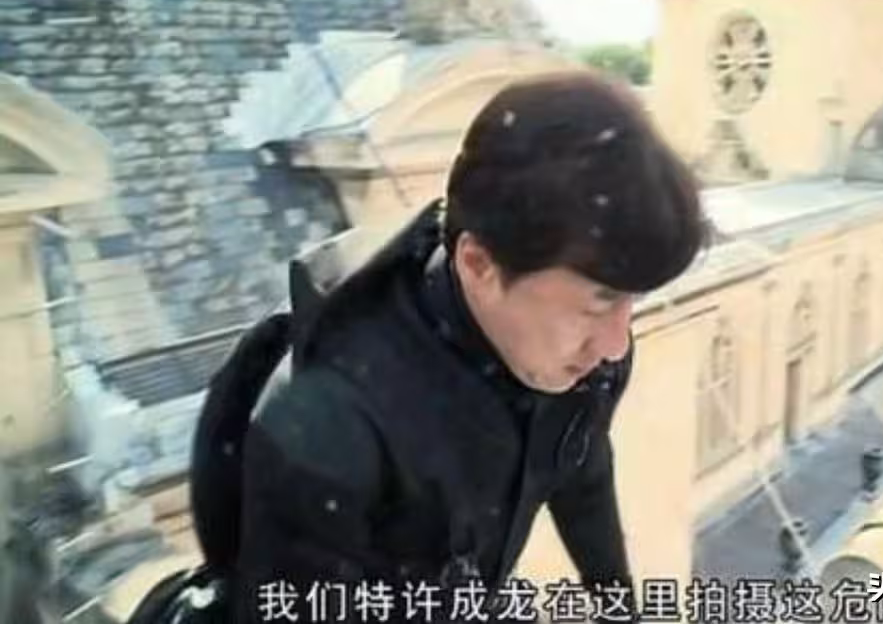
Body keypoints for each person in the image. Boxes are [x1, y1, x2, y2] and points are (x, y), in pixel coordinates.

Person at [230, 71, 708, 622]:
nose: (616, 345)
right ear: (479, 264)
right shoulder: (327, 429)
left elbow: (580, 465)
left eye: (633, 300)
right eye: (597, 303)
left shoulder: (580, 362)